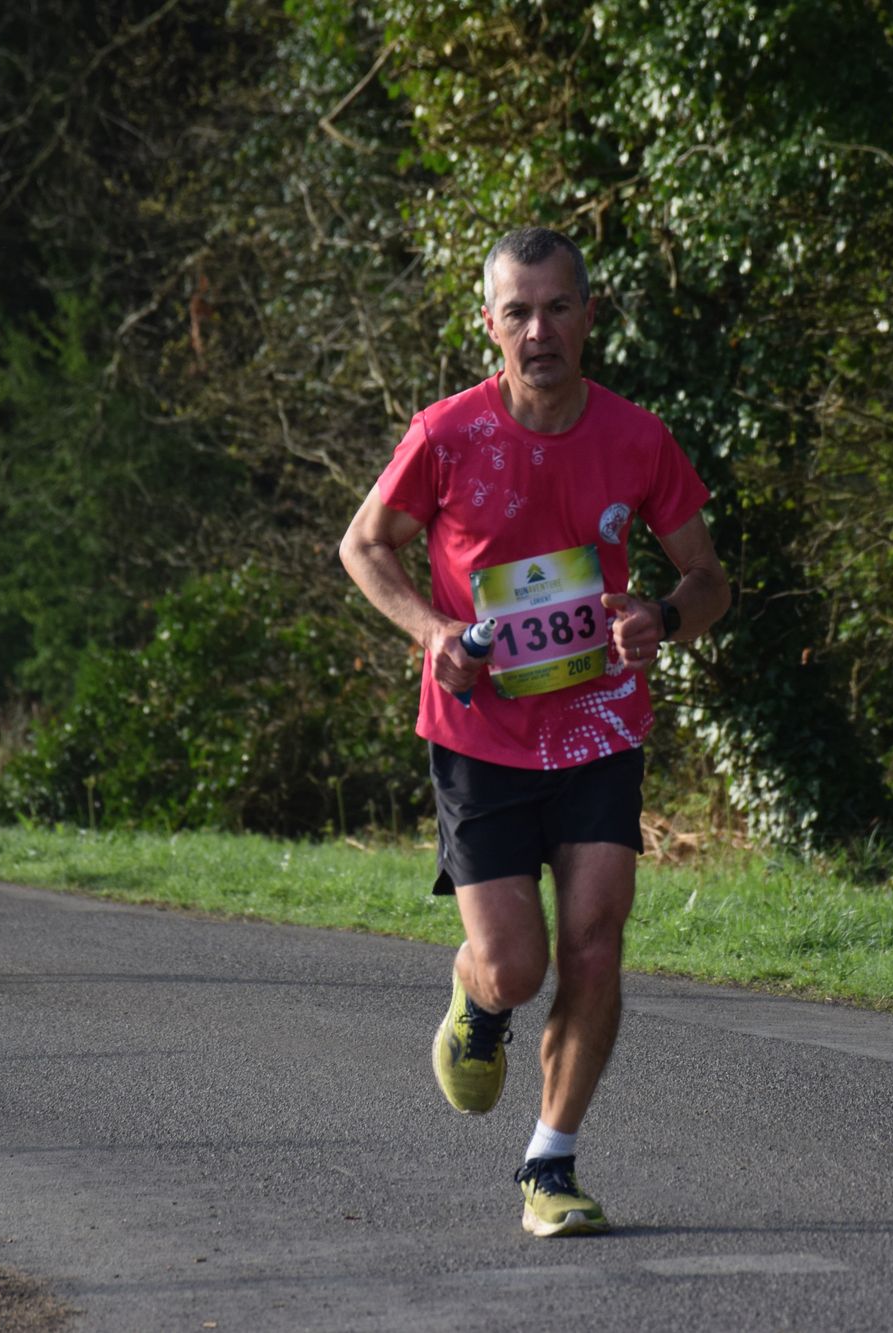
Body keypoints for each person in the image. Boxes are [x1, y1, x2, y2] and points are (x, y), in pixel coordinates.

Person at [340, 227, 729, 1236]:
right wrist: (433, 632)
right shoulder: (447, 434)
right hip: (480, 733)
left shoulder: (637, 438)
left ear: (589, 316)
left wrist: (663, 616)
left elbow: (707, 577)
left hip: (598, 726)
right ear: (489, 324)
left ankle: (549, 1163)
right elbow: (364, 545)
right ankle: (479, 1000)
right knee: (517, 964)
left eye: (557, 308)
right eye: (517, 311)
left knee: (595, 942)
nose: (538, 330)